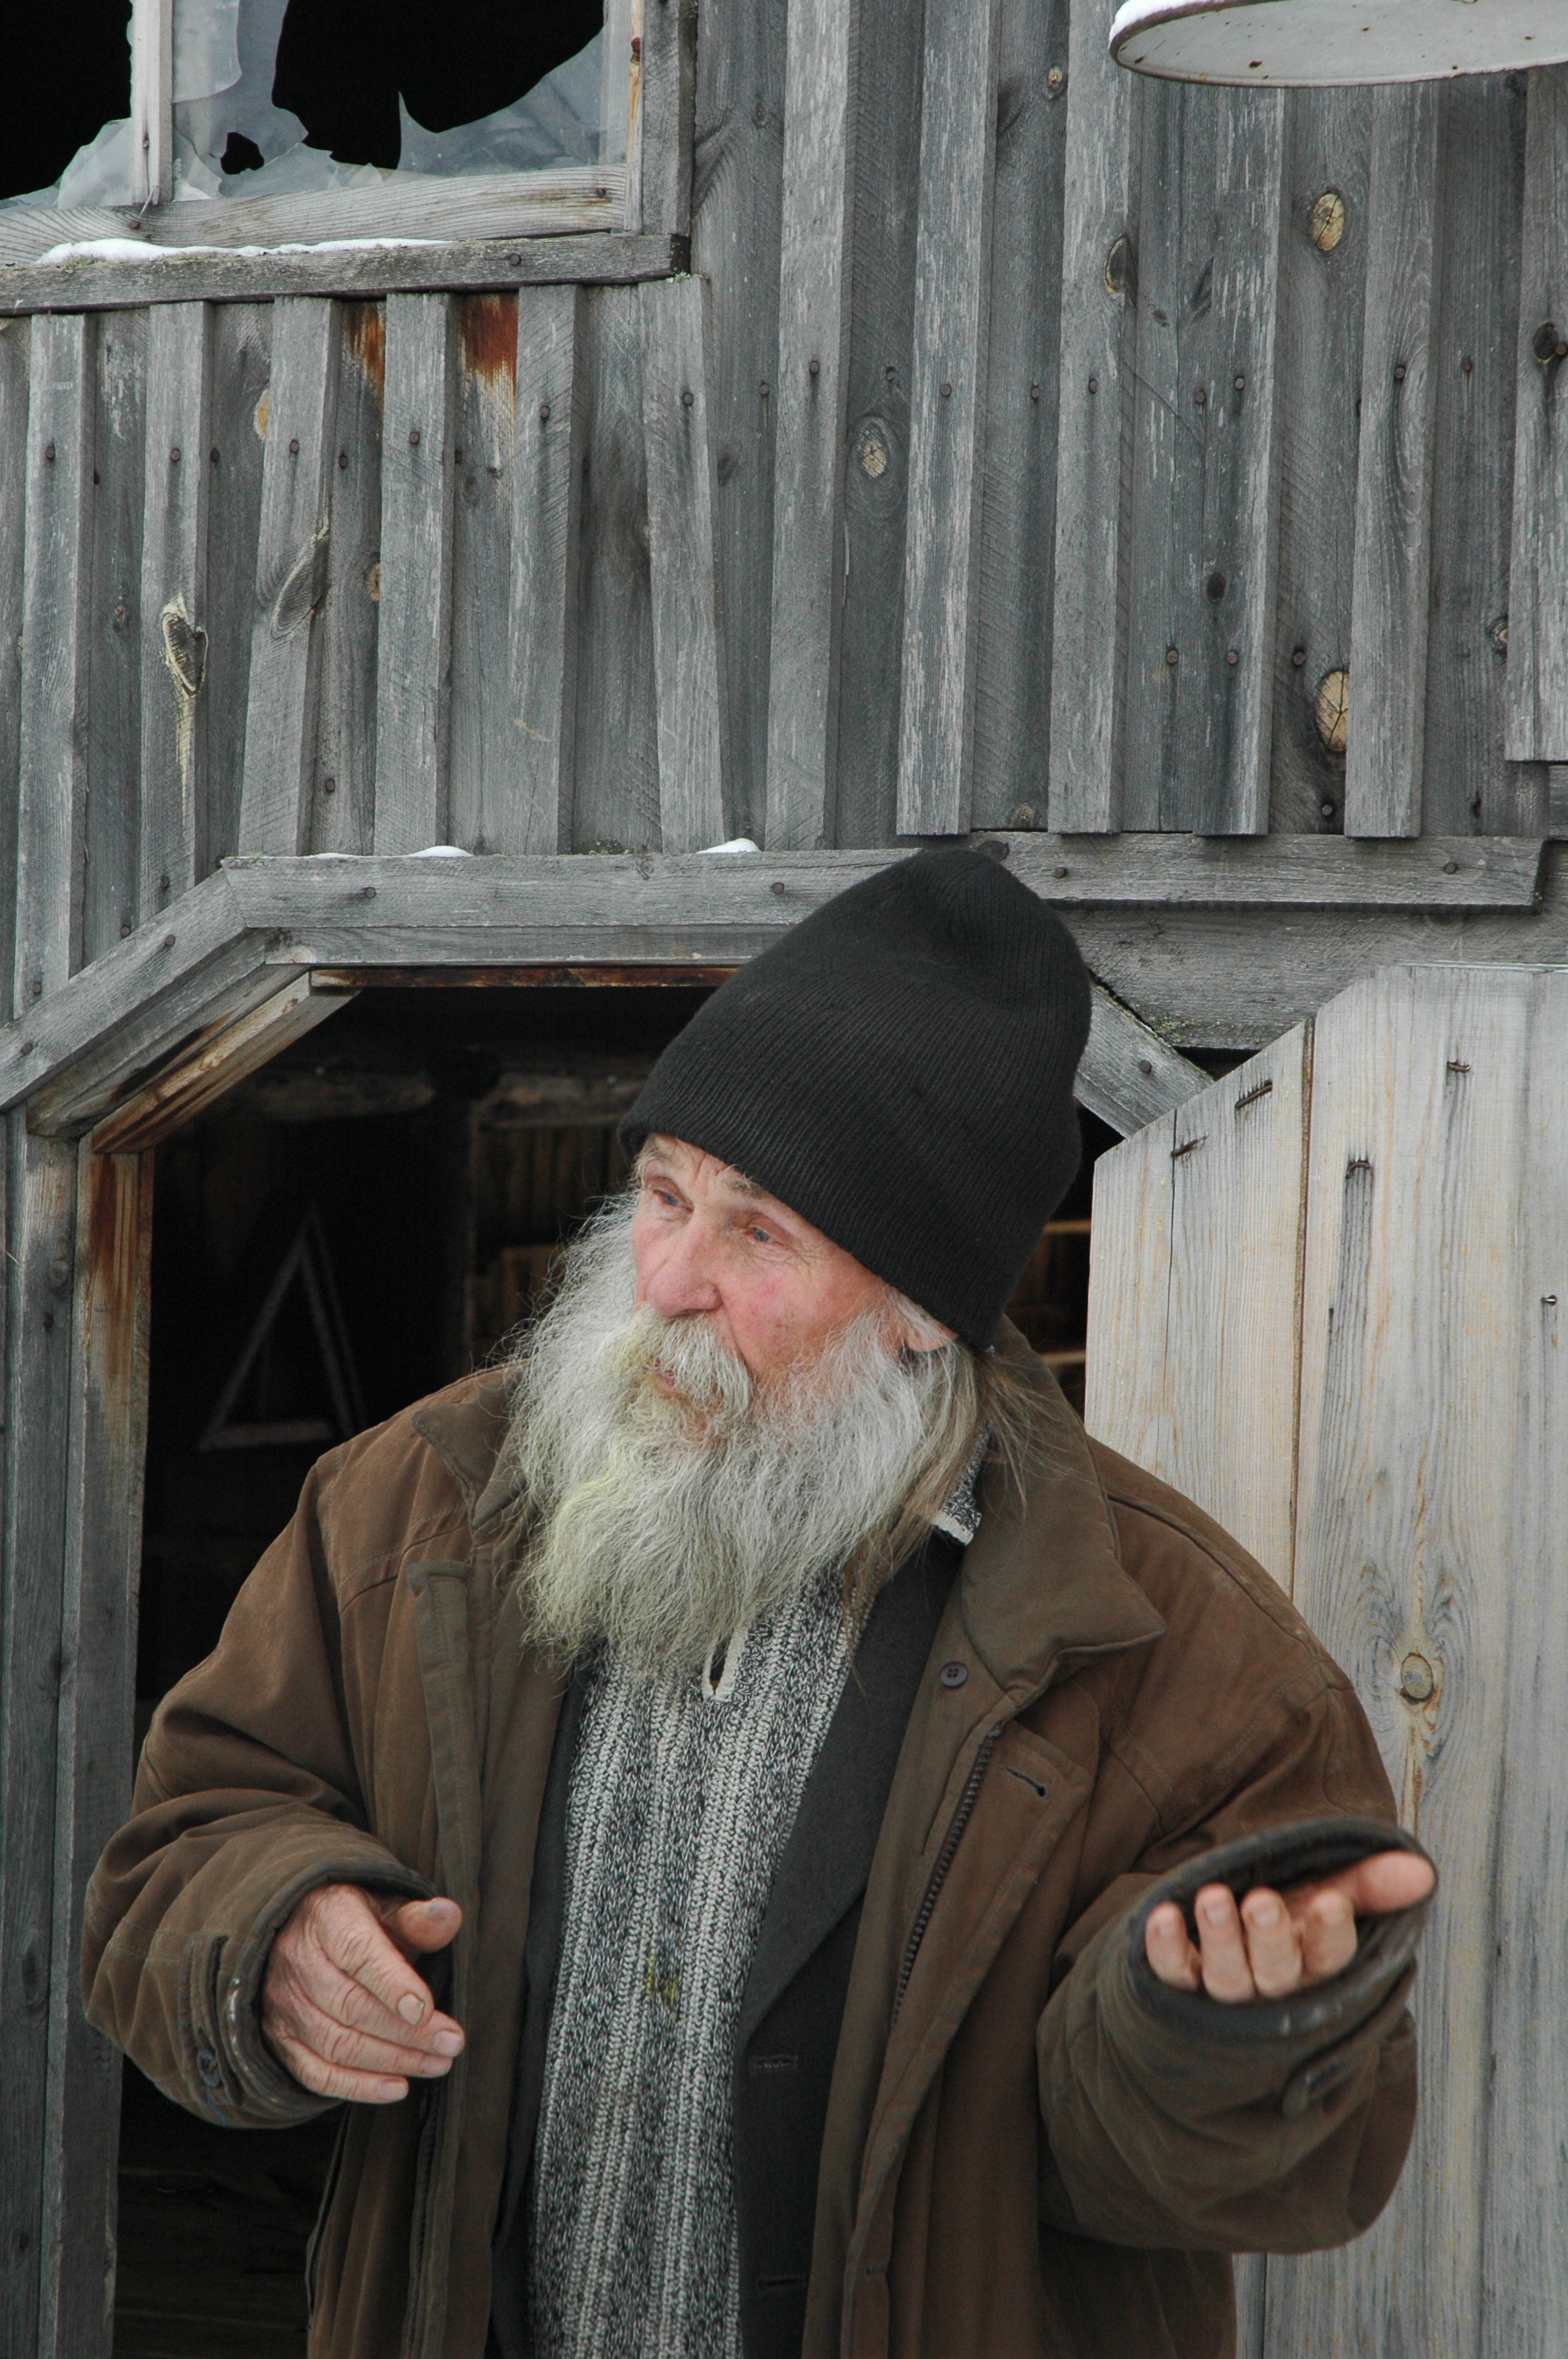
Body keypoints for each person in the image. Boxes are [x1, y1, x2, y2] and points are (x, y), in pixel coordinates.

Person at [85, 849, 1435, 2359]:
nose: (668, 1277)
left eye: (759, 1232)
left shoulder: (1174, 1649)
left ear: (919, 1310)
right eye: (664, 1194)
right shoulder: (415, 1506)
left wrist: (1212, 2027)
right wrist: (266, 1937)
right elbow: (182, 1847)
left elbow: (1287, 2162)